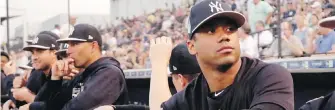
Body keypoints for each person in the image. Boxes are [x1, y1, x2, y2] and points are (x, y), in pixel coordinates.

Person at [161, 1, 294, 110]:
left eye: (230, 29)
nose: (224, 36)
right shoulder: (188, 98)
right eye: (211, 31)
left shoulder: (269, 77)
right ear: (191, 46)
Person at [34, 24, 129, 110]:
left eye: (74, 44)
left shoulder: (109, 74)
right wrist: (55, 79)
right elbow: (49, 106)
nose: (68, 51)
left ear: (93, 46)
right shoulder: (82, 75)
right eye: (68, 45)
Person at [3, 32, 60, 109]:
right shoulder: (42, 74)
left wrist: (29, 97)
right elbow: (20, 100)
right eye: (33, 53)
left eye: (40, 51)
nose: (34, 57)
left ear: (54, 53)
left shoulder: (64, 74)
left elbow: (59, 106)